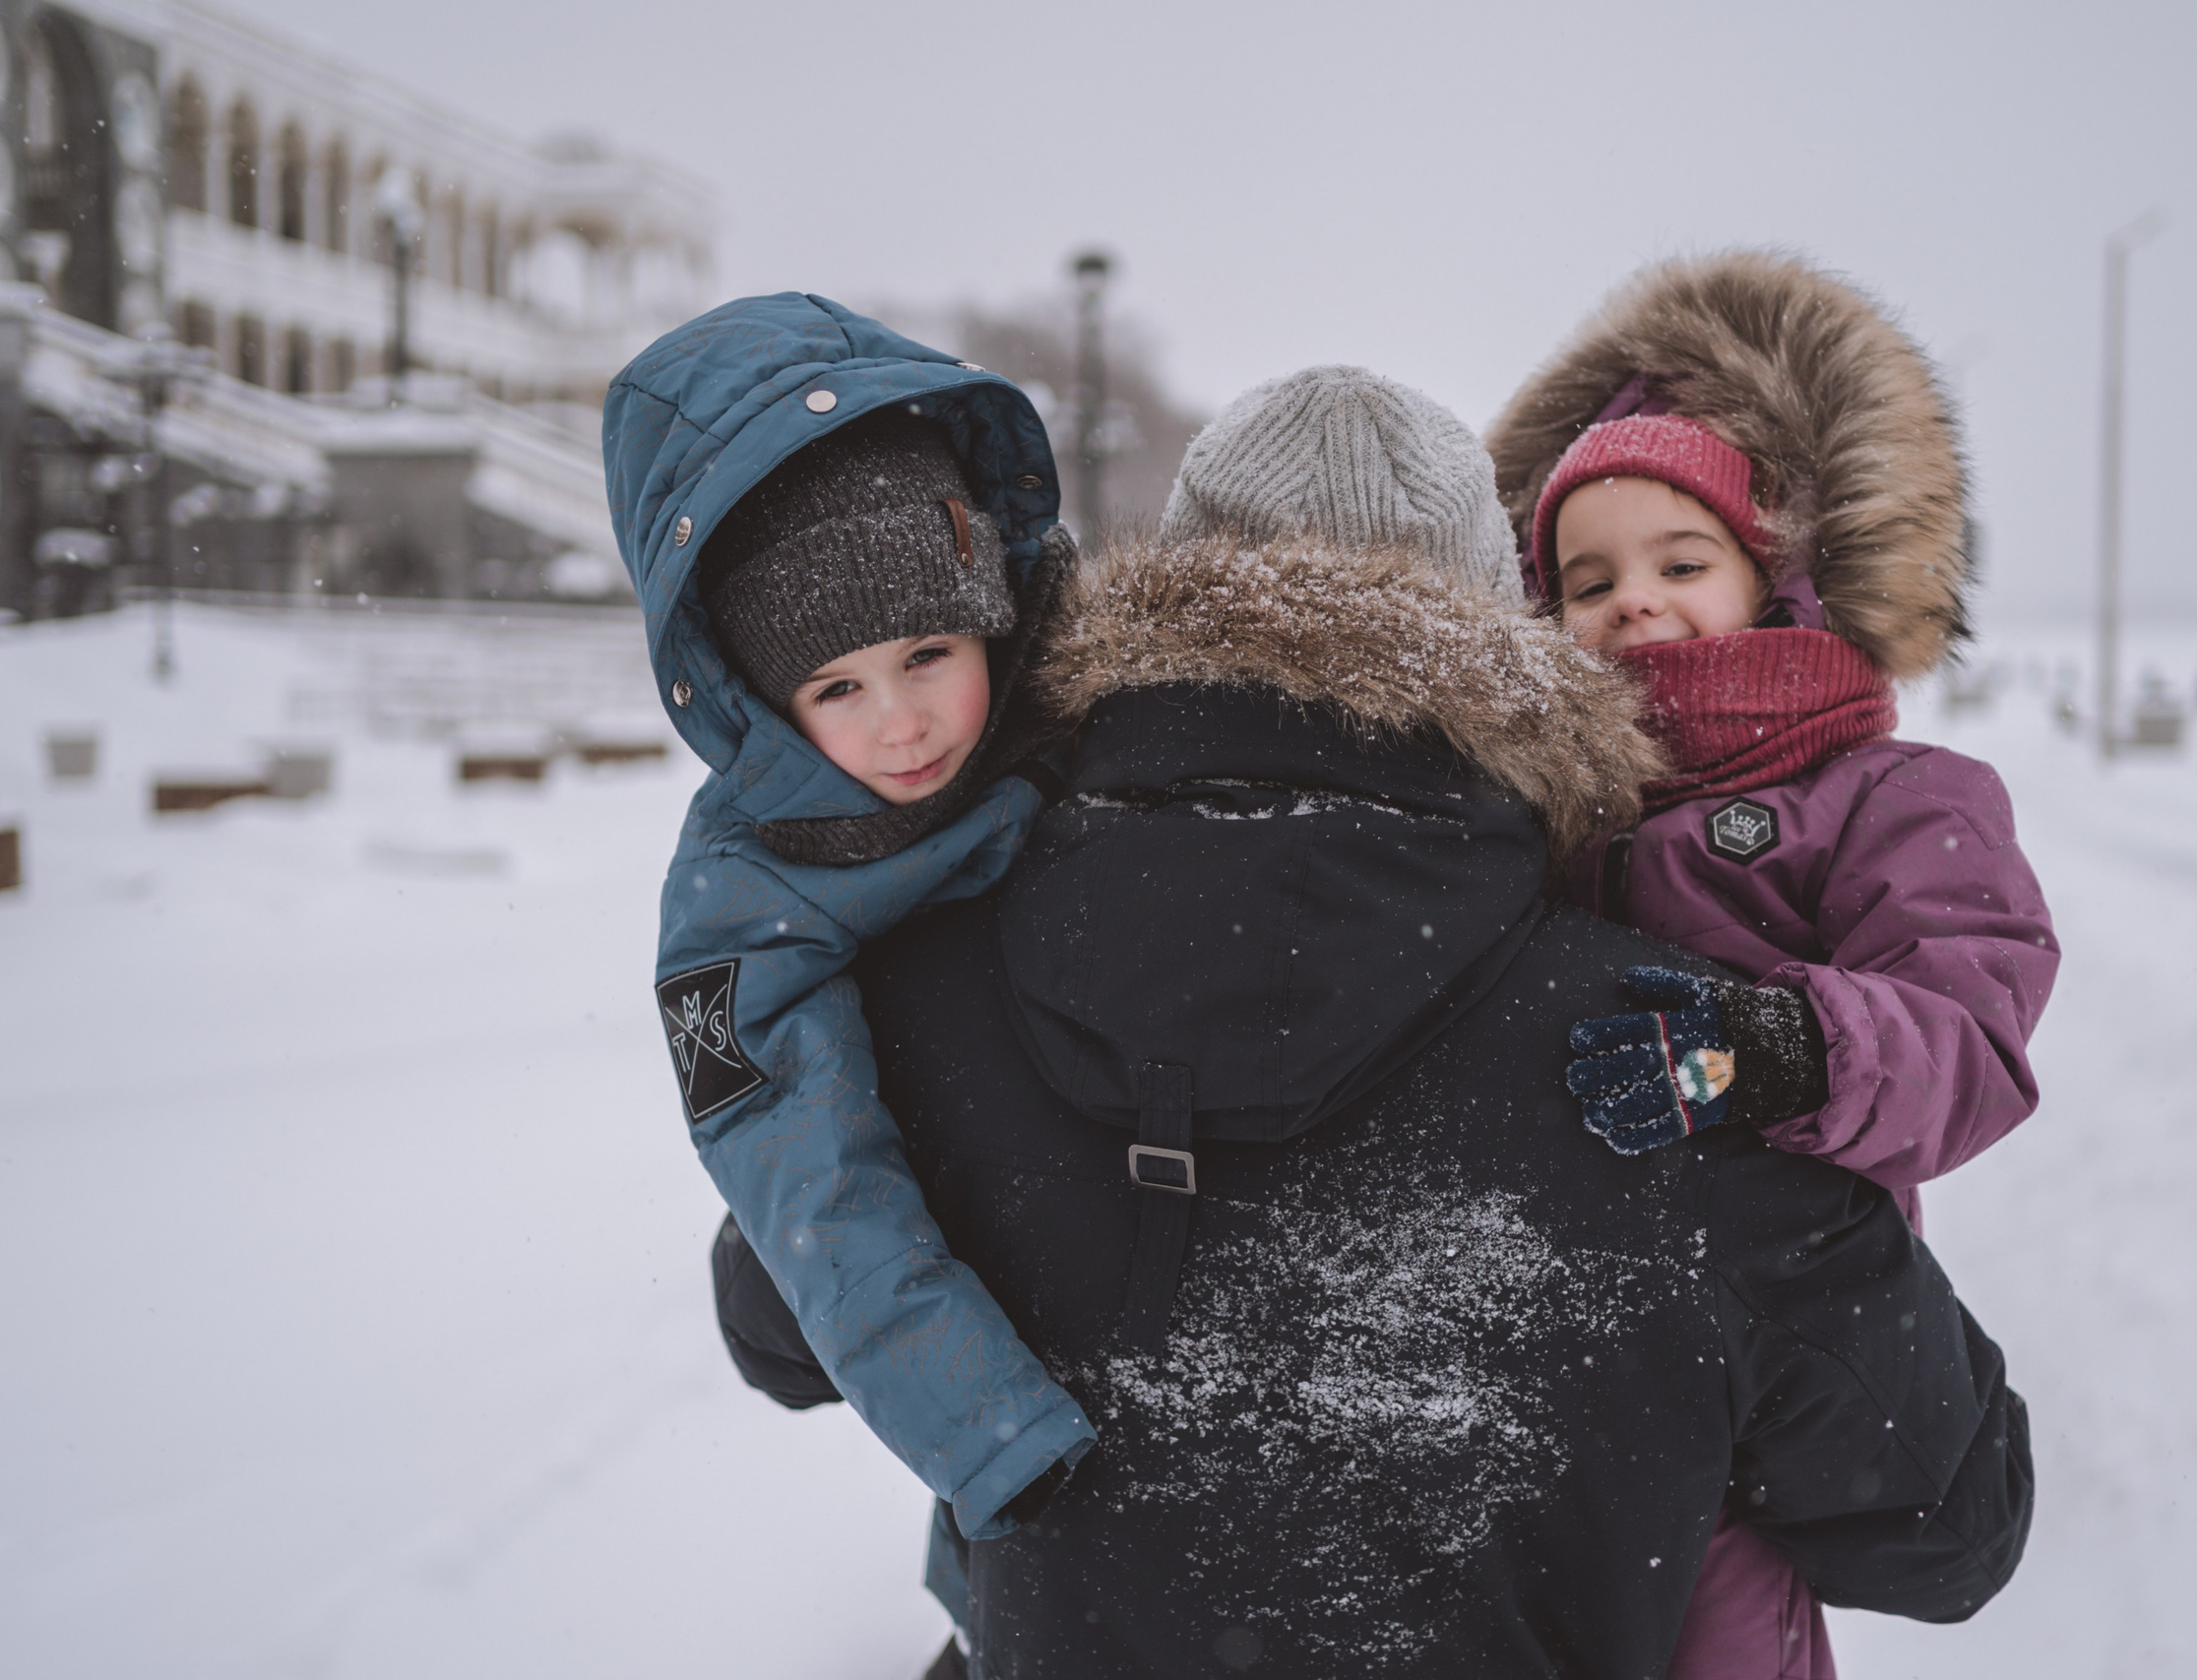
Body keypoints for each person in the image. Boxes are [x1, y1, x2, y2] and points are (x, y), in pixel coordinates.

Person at [722, 367, 2034, 1678]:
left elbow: (773, 1317)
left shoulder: (940, 992)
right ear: (1502, 632)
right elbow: (1956, 1525)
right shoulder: (1671, 1052)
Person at [1487, 251, 2061, 1679]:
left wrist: (1786, 1044)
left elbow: (1966, 1036)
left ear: (1772, 575)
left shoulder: (1883, 795)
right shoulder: (1531, 799)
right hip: (1552, 1318)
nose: (1636, 604)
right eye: (1588, 580)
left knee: (1716, 1623)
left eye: (1683, 564)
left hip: (1770, 1327)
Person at [604, 293, 1096, 1562]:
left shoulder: (1091, 724)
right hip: (1026, 1409)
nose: (902, 724)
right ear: (763, 700)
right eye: (837, 687)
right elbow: (812, 1182)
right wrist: (985, 1431)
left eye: (930, 652)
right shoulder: (748, 891)